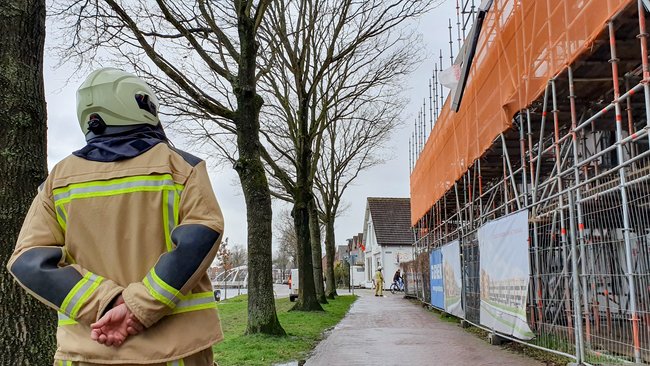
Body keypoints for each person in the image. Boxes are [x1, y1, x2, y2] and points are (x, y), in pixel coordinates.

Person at [7, 68, 224, 366]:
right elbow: (200, 236)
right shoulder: (181, 167)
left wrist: (105, 301)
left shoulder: (58, 180)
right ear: (143, 105)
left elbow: (28, 259)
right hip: (178, 352)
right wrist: (137, 306)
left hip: (86, 353)